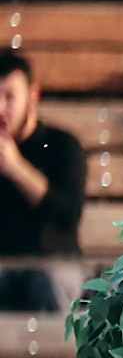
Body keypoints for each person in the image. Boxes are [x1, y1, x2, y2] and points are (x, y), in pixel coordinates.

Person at [0, 57, 86, 311]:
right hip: (4, 266)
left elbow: (68, 213)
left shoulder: (62, 145)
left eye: (9, 96)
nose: (1, 108)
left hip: (53, 263)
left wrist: (15, 168)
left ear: (33, 95)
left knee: (53, 282)